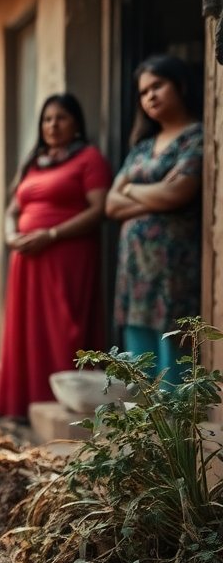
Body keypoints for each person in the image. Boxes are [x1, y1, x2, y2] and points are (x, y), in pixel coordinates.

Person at [0, 94, 112, 419]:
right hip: (28, 260)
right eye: (47, 119)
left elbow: (99, 209)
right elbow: (13, 208)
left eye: (61, 118)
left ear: (76, 123)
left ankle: (67, 406)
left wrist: (52, 234)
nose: (52, 125)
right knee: (28, 332)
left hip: (67, 256)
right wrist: (9, 234)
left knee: (65, 329)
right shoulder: (34, 162)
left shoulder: (89, 158)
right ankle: (24, 404)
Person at [105, 54, 203, 384]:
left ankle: (175, 432)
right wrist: (152, 193)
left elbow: (178, 194)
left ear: (182, 85)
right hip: (135, 271)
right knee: (139, 358)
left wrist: (131, 189)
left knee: (173, 345)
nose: (150, 96)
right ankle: (146, 433)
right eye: (144, 91)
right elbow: (111, 205)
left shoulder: (196, 137)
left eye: (158, 86)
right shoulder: (142, 147)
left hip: (173, 268)